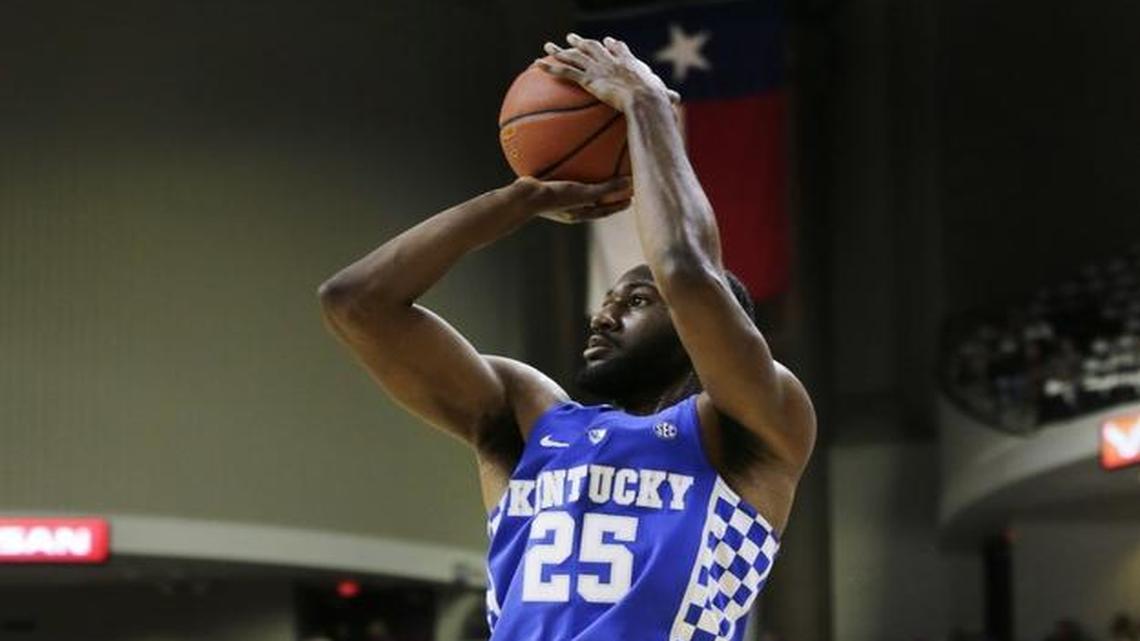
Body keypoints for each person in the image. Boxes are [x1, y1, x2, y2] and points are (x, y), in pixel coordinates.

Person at [319, 33, 816, 641]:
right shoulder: (528, 419)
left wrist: (646, 106)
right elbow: (356, 304)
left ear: (700, 327)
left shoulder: (750, 426)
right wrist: (516, 202)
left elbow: (686, 273)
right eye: (607, 303)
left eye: (636, 301)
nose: (603, 319)